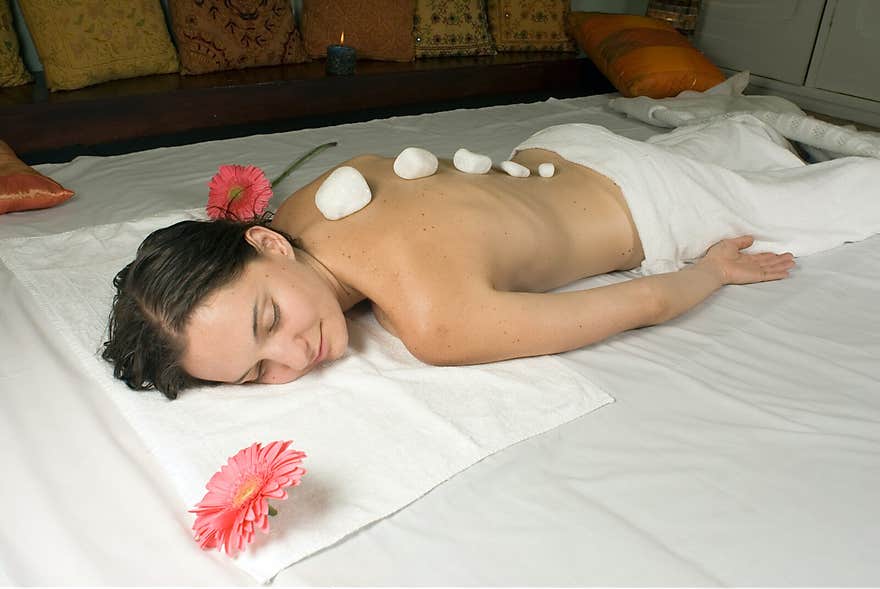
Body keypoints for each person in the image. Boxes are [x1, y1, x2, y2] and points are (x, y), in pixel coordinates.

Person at [103, 118, 880, 399]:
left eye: (267, 319)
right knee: (731, 148)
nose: (292, 355)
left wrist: (709, 270)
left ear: (265, 242)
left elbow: (638, 302)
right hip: (553, 148)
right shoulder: (307, 204)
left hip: (649, 204)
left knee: (844, 205)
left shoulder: (438, 325)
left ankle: (756, 160)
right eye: (255, 373)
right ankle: (745, 137)